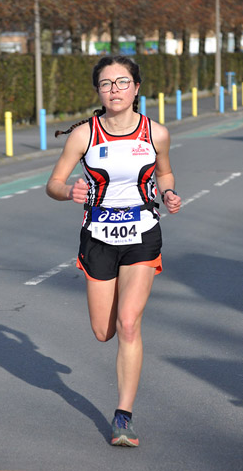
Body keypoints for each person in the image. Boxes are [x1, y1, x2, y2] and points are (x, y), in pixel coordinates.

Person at [46, 55, 181, 447]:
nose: (115, 90)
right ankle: (117, 309)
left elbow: (165, 171)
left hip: (142, 232)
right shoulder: (84, 135)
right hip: (99, 237)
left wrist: (169, 192)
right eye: (106, 84)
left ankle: (123, 416)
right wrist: (67, 190)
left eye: (122, 82)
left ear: (137, 88)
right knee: (103, 330)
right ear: (99, 92)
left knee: (128, 323)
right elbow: (53, 184)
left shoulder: (155, 134)